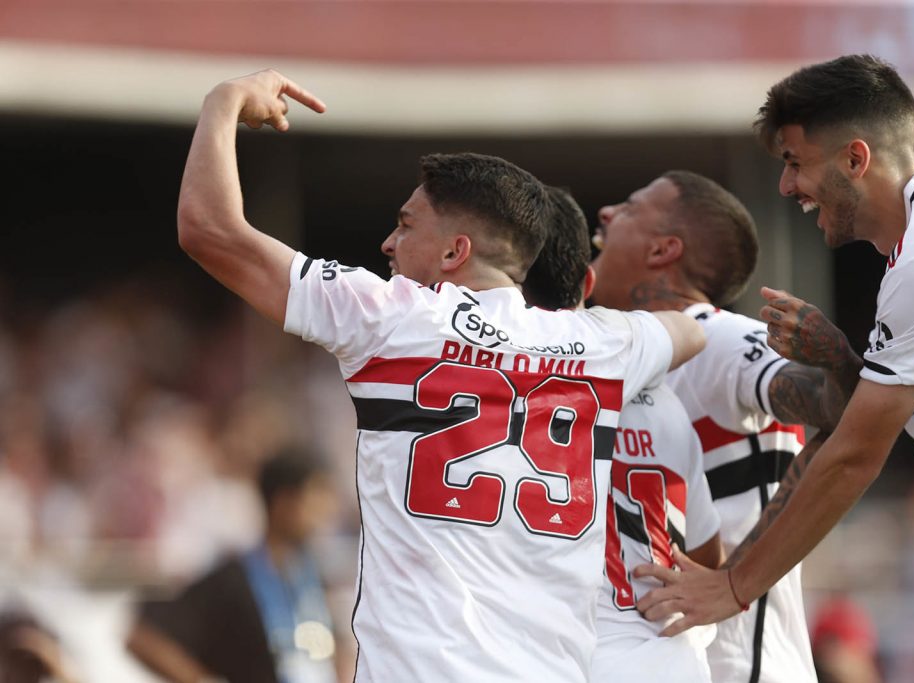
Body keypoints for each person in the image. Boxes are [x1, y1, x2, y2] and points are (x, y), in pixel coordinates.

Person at [176, 69, 705, 683]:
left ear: (455, 253)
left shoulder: (391, 317)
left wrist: (223, 102)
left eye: (405, 225)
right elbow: (689, 330)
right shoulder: (603, 344)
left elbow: (208, 228)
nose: (386, 244)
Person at [652, 53, 914, 630]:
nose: (786, 186)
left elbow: (853, 456)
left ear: (856, 158)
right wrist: (842, 361)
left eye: (795, 163)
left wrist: (733, 589)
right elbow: (874, 417)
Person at [588, 170, 862, 682]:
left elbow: (843, 410)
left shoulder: (721, 337)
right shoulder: (617, 356)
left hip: (741, 667)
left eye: (628, 209)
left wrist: (734, 579)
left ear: (664, 250)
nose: (605, 215)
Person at [523, 186, 723, 682]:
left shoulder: (500, 392)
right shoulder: (663, 395)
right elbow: (704, 557)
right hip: (667, 659)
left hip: (573, 661)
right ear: (587, 280)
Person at [127, 447, 341, 683]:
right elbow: (142, 637)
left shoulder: (313, 577)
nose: (327, 510)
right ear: (283, 502)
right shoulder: (234, 579)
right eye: (317, 496)